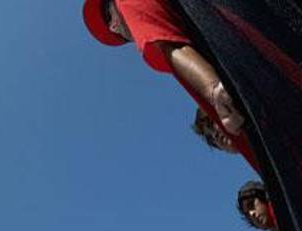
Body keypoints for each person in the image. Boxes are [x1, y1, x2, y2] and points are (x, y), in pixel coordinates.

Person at [82, 0, 258, 171]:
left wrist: (215, 91)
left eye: (108, 14)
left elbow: (169, 46)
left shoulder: (127, 4)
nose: (113, 27)